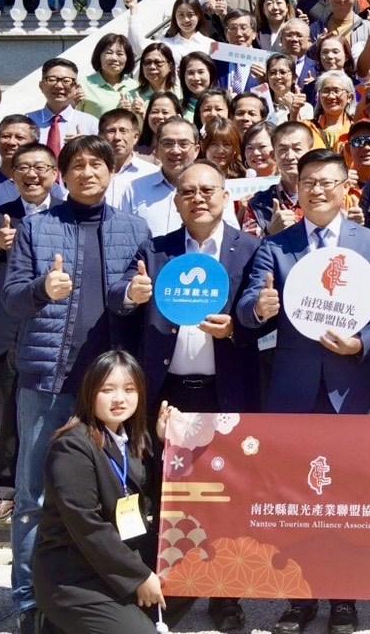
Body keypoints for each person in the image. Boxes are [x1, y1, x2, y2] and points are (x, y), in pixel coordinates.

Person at [3, 136, 153, 632]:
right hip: (49, 380)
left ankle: (106, 589)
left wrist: (133, 295)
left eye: (97, 164)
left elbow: (132, 298)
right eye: (78, 165)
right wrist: (41, 289)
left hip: (111, 391)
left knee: (116, 494)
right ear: (61, 175)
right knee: (33, 497)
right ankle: (30, 602)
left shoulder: (135, 228)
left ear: (112, 171)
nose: (88, 172)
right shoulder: (37, 227)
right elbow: (10, 300)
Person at [238, 150, 370, 634]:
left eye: (327, 182)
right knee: (295, 496)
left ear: (346, 187)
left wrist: (362, 342)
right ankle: (298, 597)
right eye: (309, 182)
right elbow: (248, 303)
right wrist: (259, 308)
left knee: (348, 495)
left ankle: (344, 598)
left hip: (352, 386)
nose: (318, 190)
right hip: (294, 389)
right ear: (297, 189)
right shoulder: (276, 246)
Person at [111, 160, 261, 633]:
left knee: (226, 494)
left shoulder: (251, 250)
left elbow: (263, 315)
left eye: (207, 190)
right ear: (176, 200)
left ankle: (225, 594)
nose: (198, 198)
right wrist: (132, 293)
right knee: (164, 492)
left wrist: (237, 327)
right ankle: (169, 587)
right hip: (166, 391)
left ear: (225, 196)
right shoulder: (155, 250)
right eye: (188, 191)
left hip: (225, 391)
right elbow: (119, 295)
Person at [32, 350, 173, 634]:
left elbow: (160, 496)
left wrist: (165, 443)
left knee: (190, 580)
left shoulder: (136, 439)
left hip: (120, 562)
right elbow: (87, 525)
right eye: (108, 390)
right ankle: (54, 621)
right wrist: (139, 576)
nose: (119, 399)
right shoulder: (71, 446)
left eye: (129, 389)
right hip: (76, 576)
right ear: (89, 392)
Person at [0, 142, 59, 524]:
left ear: (55, 174)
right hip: (9, 330)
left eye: (41, 167)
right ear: (13, 175)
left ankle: (59, 490)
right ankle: (4, 491)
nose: (32, 175)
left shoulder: (68, 214)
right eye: (23, 168)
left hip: (57, 329)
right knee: (8, 414)